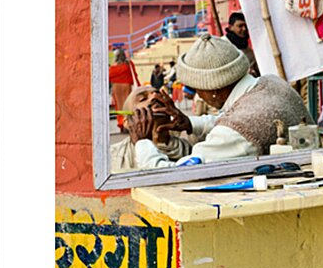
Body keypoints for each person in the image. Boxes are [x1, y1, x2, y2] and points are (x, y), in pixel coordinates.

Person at [131, 33, 310, 168]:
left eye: (198, 89)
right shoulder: (271, 82)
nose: (199, 96)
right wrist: (190, 124)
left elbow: (176, 175)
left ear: (214, 89)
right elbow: (233, 115)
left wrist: (142, 142)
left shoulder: (237, 133)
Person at [110, 86, 192, 172]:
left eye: (159, 95)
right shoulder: (113, 156)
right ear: (127, 122)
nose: (154, 97)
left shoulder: (191, 148)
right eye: (142, 99)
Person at [108, 48, 138, 133]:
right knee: (128, 105)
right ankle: (128, 122)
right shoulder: (129, 64)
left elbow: (109, 77)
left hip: (116, 88)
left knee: (119, 106)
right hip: (127, 86)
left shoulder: (113, 66)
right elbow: (134, 75)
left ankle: (121, 123)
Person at [223, 11, 260, 77]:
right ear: (230, 27)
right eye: (240, 26)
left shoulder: (246, 46)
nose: (244, 29)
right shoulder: (223, 45)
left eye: (245, 25)